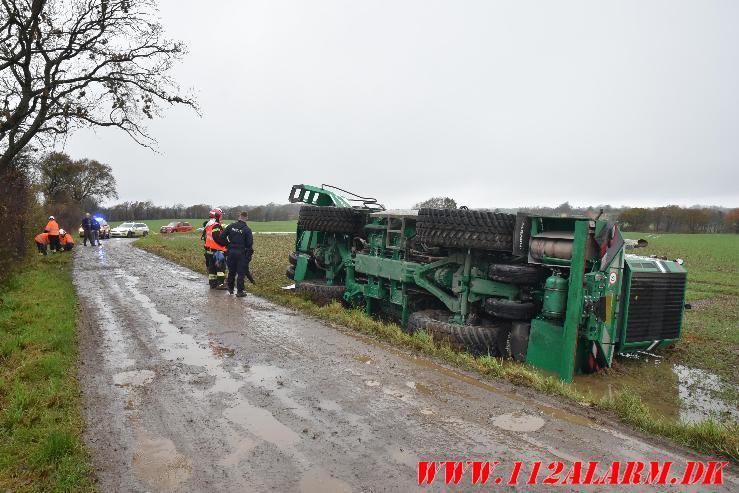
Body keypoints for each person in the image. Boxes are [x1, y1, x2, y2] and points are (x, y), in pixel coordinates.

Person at [218, 211, 254, 297]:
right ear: (246, 218)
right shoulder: (247, 229)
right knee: (241, 273)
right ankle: (240, 291)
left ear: (239, 217)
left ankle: (230, 289)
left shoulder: (231, 226)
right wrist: (248, 254)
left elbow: (221, 237)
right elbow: (249, 244)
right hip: (241, 253)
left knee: (231, 271)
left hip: (231, 252)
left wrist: (228, 245)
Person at [202, 207, 227, 288]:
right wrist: (226, 243)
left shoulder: (208, 225)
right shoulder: (216, 226)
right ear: (217, 216)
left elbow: (205, 238)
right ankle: (221, 284)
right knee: (220, 269)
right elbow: (217, 238)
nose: (222, 217)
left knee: (212, 269)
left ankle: (213, 284)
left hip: (209, 251)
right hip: (218, 252)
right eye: (221, 215)